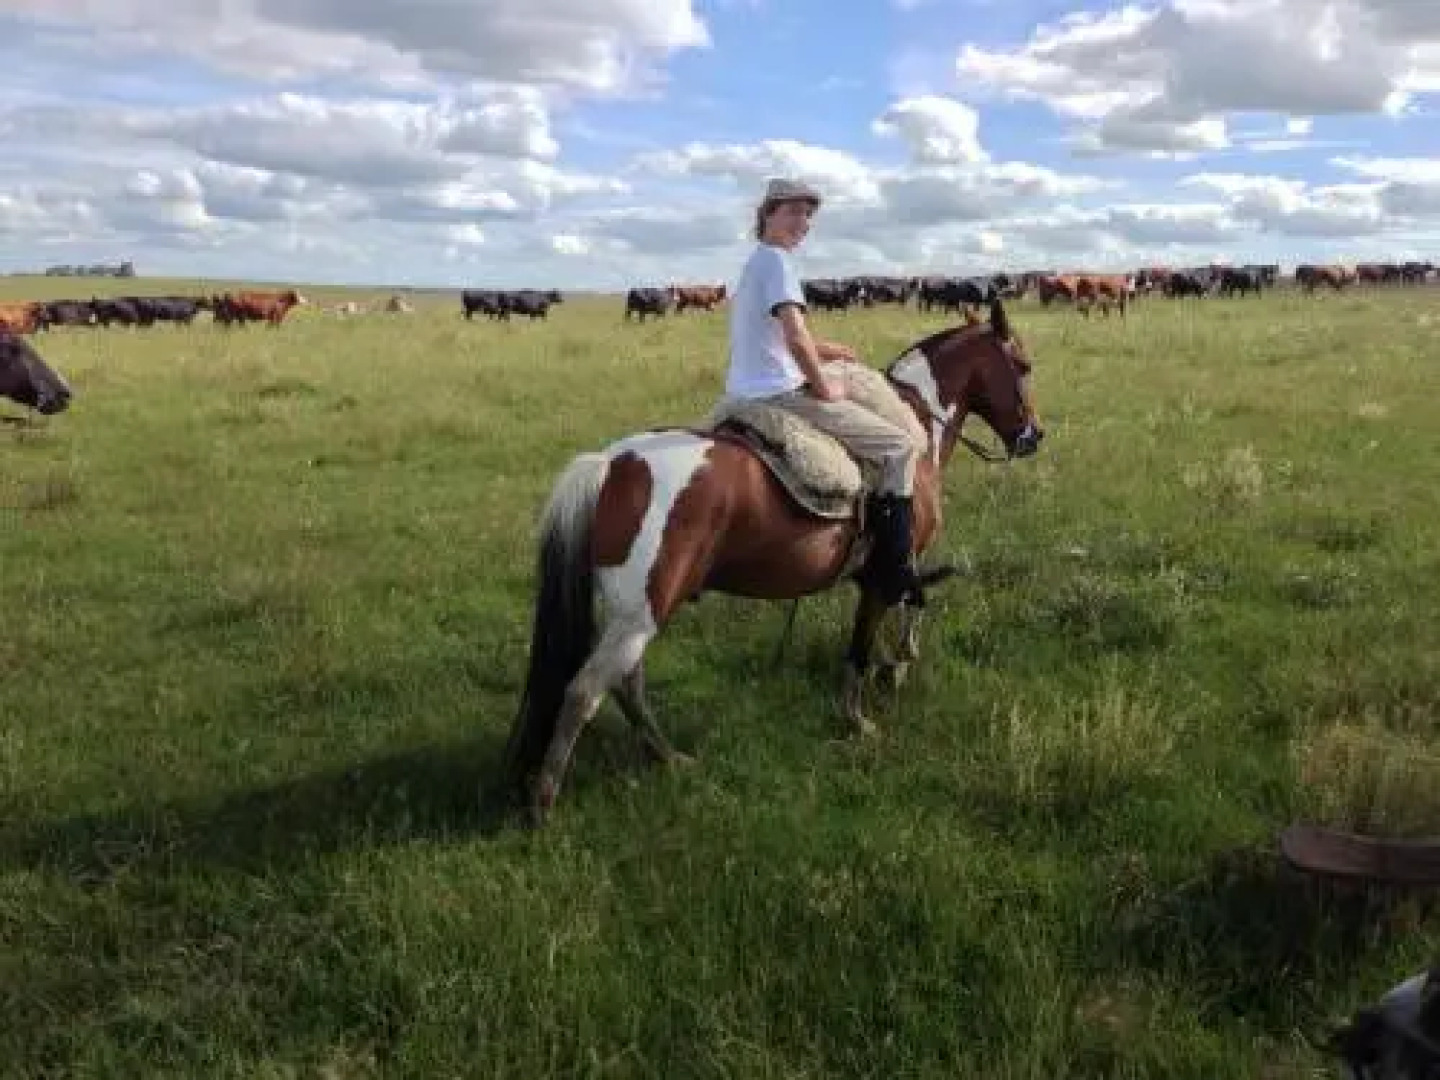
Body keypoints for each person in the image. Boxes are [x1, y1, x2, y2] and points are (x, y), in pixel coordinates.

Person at [722, 177, 926, 606]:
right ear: (768, 214)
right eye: (794, 211)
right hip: (777, 392)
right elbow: (795, 336)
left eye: (809, 214)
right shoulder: (777, 263)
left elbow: (774, 335)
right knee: (900, 447)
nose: (804, 222)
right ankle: (894, 566)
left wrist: (830, 350)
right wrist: (823, 384)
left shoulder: (755, 262)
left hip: (744, 388)